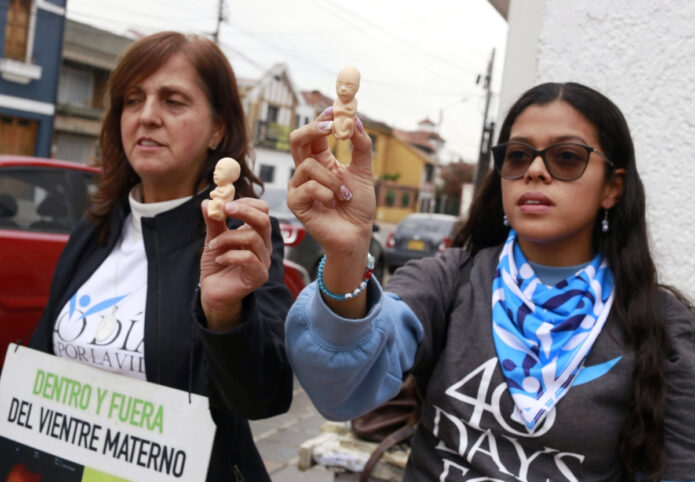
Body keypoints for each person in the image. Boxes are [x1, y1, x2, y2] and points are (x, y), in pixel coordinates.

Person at [285, 82, 695, 481]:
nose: (534, 170)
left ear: (612, 188)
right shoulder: (449, 281)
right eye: (517, 156)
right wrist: (347, 256)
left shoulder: (662, 327)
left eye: (567, 157)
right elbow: (338, 385)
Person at [29, 32, 293, 481]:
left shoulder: (235, 239)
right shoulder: (96, 229)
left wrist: (225, 313)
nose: (147, 116)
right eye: (133, 100)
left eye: (173, 101)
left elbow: (262, 397)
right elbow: (39, 364)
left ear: (218, 128)